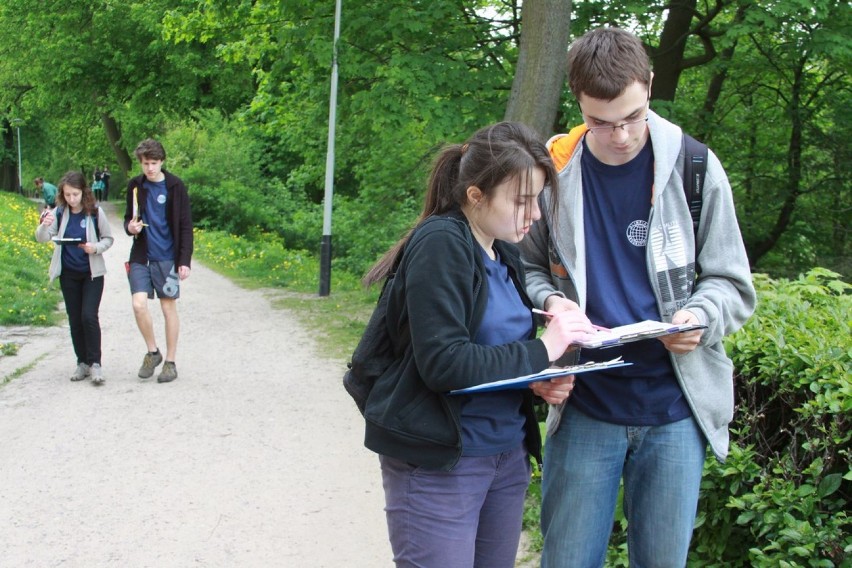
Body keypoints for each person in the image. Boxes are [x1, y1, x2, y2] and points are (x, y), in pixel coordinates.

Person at [518, 27, 757, 566]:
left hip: (674, 411)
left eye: (632, 116)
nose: (620, 135)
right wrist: (554, 305)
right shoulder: (553, 174)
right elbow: (528, 269)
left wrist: (701, 315)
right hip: (584, 409)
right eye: (601, 122)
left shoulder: (696, 169)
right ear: (577, 101)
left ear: (648, 86)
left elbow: (732, 282)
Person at [359, 122, 597, 568]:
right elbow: (444, 363)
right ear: (475, 196)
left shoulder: (502, 250)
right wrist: (544, 350)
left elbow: (495, 352)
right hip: (442, 463)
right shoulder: (442, 242)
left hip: (504, 457)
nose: (535, 215)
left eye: (538, 200)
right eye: (521, 201)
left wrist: (538, 381)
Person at [123, 138, 193, 383]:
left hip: (167, 257)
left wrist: (184, 260)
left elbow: (185, 226)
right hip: (141, 255)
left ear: (162, 161)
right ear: (140, 163)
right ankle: (153, 352)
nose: (150, 168)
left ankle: (170, 363)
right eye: (145, 163)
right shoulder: (135, 185)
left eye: (154, 163)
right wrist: (130, 228)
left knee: (167, 308)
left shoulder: (175, 186)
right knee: (138, 304)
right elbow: (128, 220)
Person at [35, 171, 114, 385]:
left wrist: (94, 248)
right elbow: (41, 238)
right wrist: (43, 224)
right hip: (68, 275)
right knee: (75, 319)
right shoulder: (59, 213)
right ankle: (82, 362)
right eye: (68, 195)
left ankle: (95, 363)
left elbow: (108, 238)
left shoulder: (95, 213)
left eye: (75, 194)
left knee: (88, 316)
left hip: (92, 274)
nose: (72, 199)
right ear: (62, 194)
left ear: (83, 192)